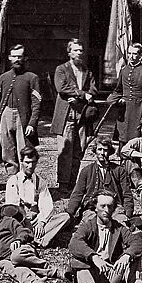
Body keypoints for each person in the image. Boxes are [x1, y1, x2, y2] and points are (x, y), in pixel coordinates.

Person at [70, 190, 142, 283]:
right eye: (102, 206)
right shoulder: (88, 225)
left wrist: (126, 255)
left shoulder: (119, 227)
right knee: (78, 258)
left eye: (110, 206)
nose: (106, 210)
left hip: (112, 272)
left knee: (135, 256)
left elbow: (138, 243)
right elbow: (74, 244)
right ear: (95, 208)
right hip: (93, 274)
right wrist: (94, 257)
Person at [52, 38, 99, 191]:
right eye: (76, 50)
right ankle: (63, 183)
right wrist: (82, 95)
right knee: (66, 150)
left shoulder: (86, 71)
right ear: (69, 52)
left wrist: (83, 95)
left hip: (83, 115)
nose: (79, 53)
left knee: (79, 150)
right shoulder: (61, 69)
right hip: (67, 114)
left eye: (81, 50)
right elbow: (62, 88)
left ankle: (73, 183)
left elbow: (93, 90)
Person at [4, 146, 72, 249]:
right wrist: (25, 220)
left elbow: (46, 206)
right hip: (20, 221)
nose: (30, 166)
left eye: (33, 162)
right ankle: (36, 238)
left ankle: (36, 239)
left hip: (36, 221)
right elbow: (13, 207)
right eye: (27, 162)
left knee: (65, 217)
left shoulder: (40, 182)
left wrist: (41, 222)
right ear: (21, 161)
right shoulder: (13, 181)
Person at [0, 44, 42, 174]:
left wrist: (32, 123)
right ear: (9, 58)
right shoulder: (3, 77)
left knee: (24, 149)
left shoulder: (32, 78)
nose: (17, 59)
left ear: (25, 58)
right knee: (7, 149)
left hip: (22, 118)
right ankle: (12, 179)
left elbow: (37, 104)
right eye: (14, 56)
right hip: (5, 115)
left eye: (20, 56)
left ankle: (25, 178)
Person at [66, 136, 135, 223]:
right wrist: (70, 213)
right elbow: (77, 194)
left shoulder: (119, 170)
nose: (102, 153)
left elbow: (127, 194)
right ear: (95, 151)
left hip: (114, 208)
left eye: (105, 150)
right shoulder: (87, 171)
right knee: (93, 224)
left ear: (109, 152)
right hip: (92, 208)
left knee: (120, 223)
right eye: (99, 149)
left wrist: (128, 214)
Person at [117, 42, 142, 142]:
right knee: (123, 134)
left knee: (137, 135)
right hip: (125, 108)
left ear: (140, 55)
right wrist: (114, 100)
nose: (131, 57)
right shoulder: (124, 70)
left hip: (139, 108)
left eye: (134, 54)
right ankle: (123, 156)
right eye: (129, 53)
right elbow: (118, 89)